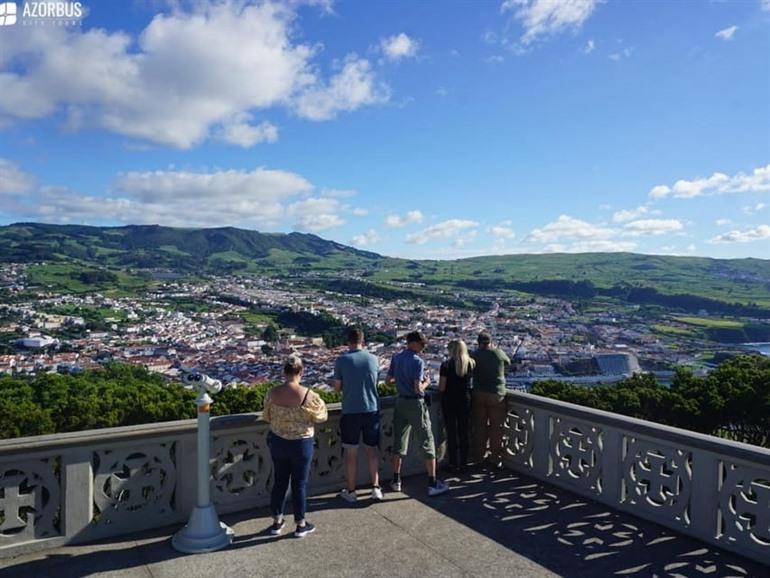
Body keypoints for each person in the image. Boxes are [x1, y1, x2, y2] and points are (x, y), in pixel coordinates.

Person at [263, 355, 328, 538]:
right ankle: (300, 524)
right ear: (301, 372)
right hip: (301, 444)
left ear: (284, 372)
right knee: (299, 484)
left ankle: (276, 522)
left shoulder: (272, 393)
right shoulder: (309, 395)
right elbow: (321, 417)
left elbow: (266, 416)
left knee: (280, 481)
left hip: (278, 441)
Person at [386, 330, 448, 496]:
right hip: (415, 403)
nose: (423, 347)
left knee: (399, 440)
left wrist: (401, 381)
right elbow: (417, 388)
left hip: (400, 402)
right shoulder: (417, 362)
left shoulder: (396, 358)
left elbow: (388, 380)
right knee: (427, 441)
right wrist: (426, 382)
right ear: (412, 343)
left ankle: (396, 480)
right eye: (421, 344)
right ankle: (432, 483)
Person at [334, 327, 383, 503]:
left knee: (351, 453)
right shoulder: (374, 359)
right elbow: (376, 381)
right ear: (363, 341)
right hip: (371, 409)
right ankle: (376, 488)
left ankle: (352, 491)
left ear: (348, 341)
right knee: (372, 451)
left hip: (351, 411)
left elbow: (337, 387)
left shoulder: (342, 360)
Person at [471, 331, 510, 469]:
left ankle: (479, 456)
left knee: (480, 426)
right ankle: (494, 458)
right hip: (496, 394)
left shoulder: (474, 355)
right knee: (496, 427)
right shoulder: (498, 353)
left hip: (479, 393)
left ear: (478, 343)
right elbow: (508, 362)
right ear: (490, 342)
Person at [438, 339, 475, 472]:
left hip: (449, 401)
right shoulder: (471, 364)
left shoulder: (446, 365)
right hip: (465, 400)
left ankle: (453, 462)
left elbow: (442, 387)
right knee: (463, 432)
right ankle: (464, 462)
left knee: (452, 433)